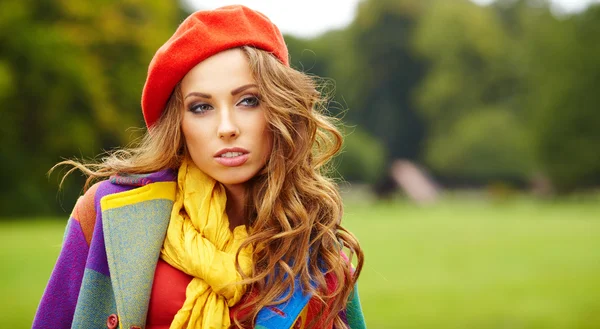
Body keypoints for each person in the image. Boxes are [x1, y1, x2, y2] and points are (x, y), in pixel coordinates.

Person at [33, 5, 365, 329]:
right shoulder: (108, 212)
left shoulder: (314, 238)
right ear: (178, 123)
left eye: (248, 100)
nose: (226, 127)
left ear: (279, 109)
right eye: (201, 107)